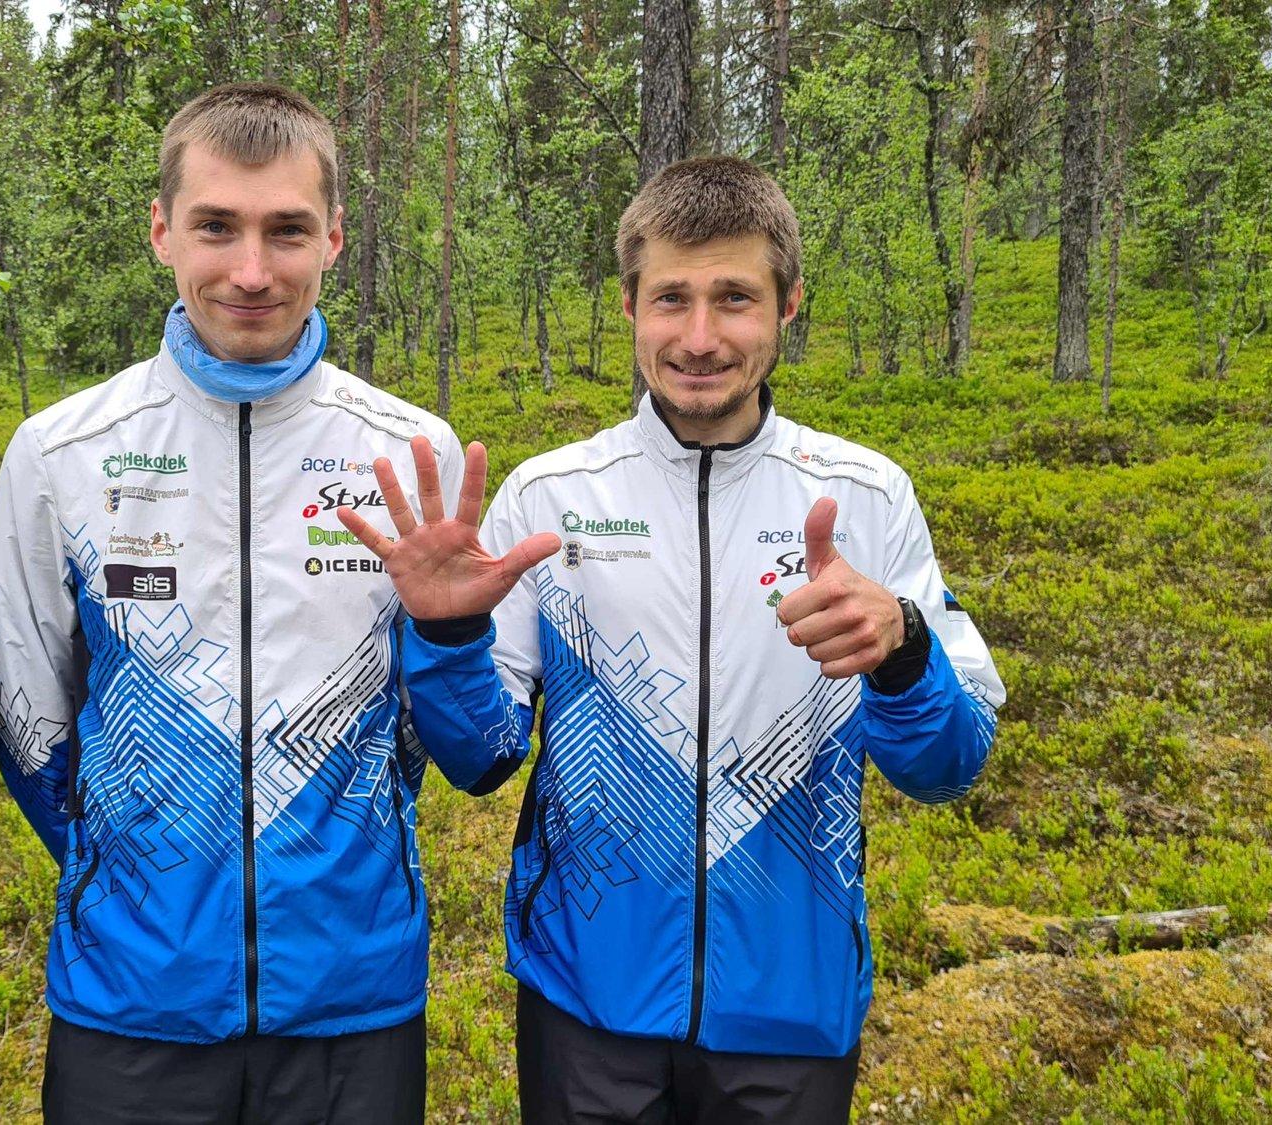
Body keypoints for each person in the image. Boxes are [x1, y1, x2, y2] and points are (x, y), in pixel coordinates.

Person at [359, 155, 1006, 1123]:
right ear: (627, 306)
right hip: (587, 1000)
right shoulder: (554, 496)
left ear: (787, 306)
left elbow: (945, 768)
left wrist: (905, 649)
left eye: (733, 299)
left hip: (791, 1003)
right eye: (670, 299)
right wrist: (447, 633)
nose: (698, 338)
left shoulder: (865, 496)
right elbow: (478, 757)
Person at [0, 82, 554, 1124]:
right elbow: (28, 726)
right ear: (160, 232)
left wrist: (451, 628)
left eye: (286, 230)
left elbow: (474, 757)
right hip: (130, 1005)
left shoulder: (408, 451)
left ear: (333, 237)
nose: (251, 271)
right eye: (215, 227)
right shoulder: (60, 454)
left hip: (351, 1001)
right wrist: (144, 877)